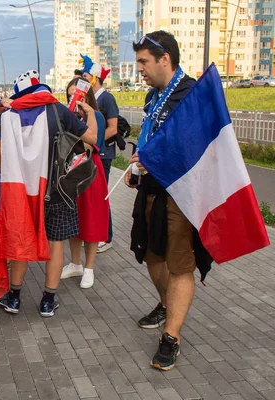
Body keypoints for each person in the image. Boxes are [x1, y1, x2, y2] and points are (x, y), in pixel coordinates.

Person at [0, 70, 98, 317]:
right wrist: (89, 113)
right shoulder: (58, 110)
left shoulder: (10, 114)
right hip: (56, 190)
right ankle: (48, 300)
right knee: (55, 244)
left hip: (21, 194)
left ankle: (14, 297)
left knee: (21, 239)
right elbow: (92, 137)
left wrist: (1, 107)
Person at [125, 30, 197, 371]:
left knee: (180, 264)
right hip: (150, 188)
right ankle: (167, 305)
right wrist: (138, 163)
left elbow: (198, 149)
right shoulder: (154, 96)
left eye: (143, 62)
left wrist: (154, 158)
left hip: (181, 194)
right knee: (152, 258)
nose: (139, 68)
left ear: (164, 59)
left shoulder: (192, 94)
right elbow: (151, 135)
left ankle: (172, 336)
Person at [60, 78, 109, 289]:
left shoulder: (94, 115)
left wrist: (88, 113)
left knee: (91, 219)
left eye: (77, 95)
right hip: (70, 171)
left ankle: (89, 267)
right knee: (73, 218)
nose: (74, 99)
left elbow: (93, 142)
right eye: (70, 95)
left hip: (90, 172)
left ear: (86, 96)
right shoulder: (67, 116)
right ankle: (75, 262)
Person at [80, 55, 119, 254]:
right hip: (93, 152)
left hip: (102, 153)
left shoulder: (107, 98)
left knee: (102, 197)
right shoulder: (92, 99)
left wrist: (94, 139)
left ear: (94, 78)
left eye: (85, 76)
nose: (83, 80)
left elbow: (114, 127)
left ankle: (107, 236)